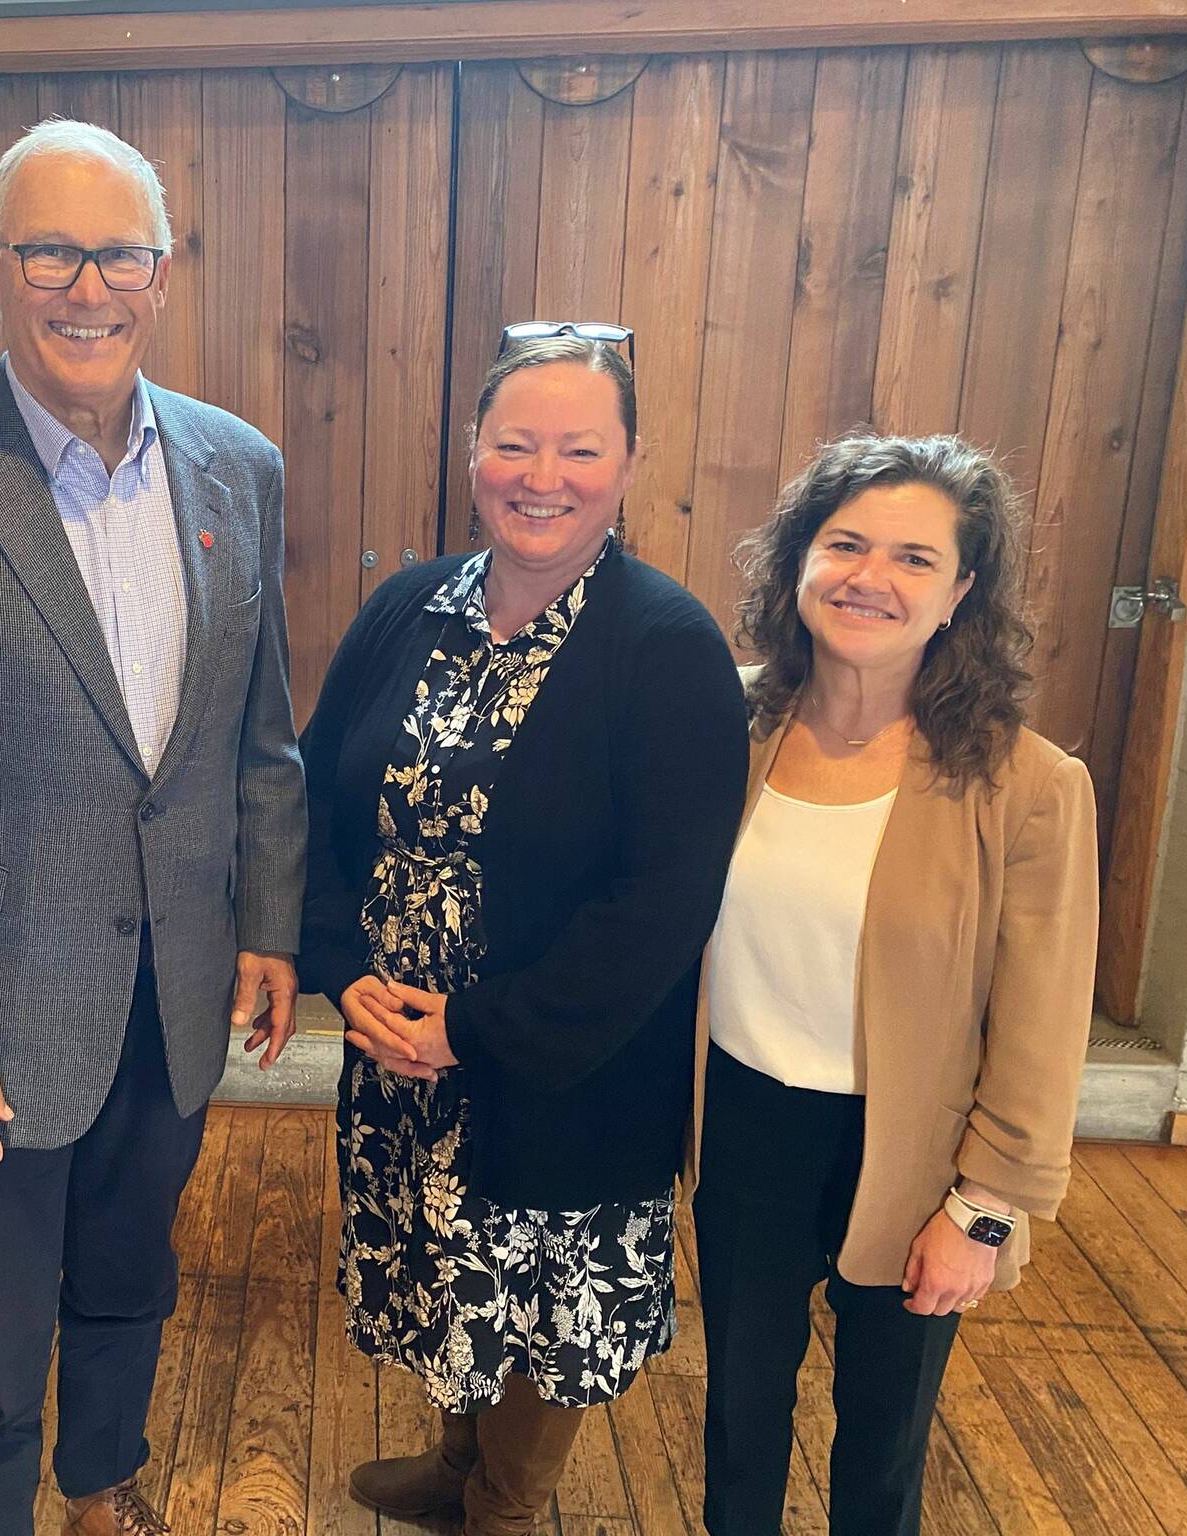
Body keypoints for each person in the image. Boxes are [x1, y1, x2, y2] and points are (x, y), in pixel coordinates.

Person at [0, 119, 307, 1536]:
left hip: (180, 984)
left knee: (132, 1271)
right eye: (50, 251)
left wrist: (266, 922)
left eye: (119, 254)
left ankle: (102, 1488)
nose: (88, 287)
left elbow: (258, 737)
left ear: (161, 272)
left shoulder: (238, 467)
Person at [299, 327, 748, 1534]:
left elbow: (662, 905)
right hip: (395, 1050)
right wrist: (341, 975)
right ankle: (453, 1469)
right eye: (513, 443)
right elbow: (313, 796)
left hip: (560, 1068)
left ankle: (504, 1504)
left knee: (537, 1302)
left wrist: (477, 1032)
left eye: (577, 449)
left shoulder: (666, 646)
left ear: (629, 462)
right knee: (450, 1272)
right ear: (472, 453)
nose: (539, 475)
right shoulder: (406, 606)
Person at [693, 432, 1100, 1536]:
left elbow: (1040, 1023)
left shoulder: (1027, 784)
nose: (870, 577)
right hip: (741, 1125)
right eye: (845, 544)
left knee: (881, 1439)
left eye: (914, 559)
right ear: (796, 564)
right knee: (736, 1414)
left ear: (961, 591)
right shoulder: (726, 725)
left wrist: (982, 1209)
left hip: (918, 1155)